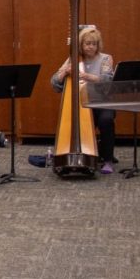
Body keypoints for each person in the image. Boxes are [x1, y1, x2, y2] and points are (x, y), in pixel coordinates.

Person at [50, 25, 117, 173]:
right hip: (82, 103)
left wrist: (85, 76)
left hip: (102, 102)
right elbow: (54, 84)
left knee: (105, 120)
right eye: (87, 44)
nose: (91, 47)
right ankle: (81, 155)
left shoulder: (106, 59)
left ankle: (108, 160)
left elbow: (107, 81)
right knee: (75, 120)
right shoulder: (73, 59)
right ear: (81, 45)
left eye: (94, 44)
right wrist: (64, 73)